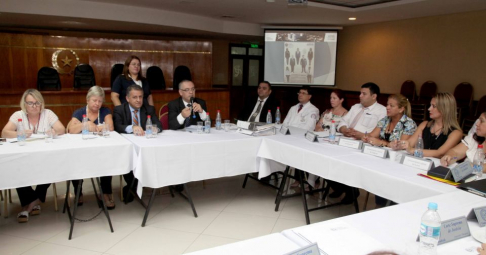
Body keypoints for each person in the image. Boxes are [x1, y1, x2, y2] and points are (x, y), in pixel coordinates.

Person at [1, 89, 65, 223]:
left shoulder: (48, 114)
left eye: (37, 103)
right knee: (15, 168)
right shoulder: (18, 115)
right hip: (23, 157)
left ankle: (28, 206)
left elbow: (62, 129)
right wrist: (20, 133)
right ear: (24, 104)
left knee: (52, 166)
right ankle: (34, 202)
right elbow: (5, 133)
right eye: (30, 103)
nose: (34, 106)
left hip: (45, 158)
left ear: (41, 103)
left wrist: (53, 131)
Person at [362, 94, 417, 207]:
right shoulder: (385, 120)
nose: (387, 107)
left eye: (391, 105)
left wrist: (381, 143)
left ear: (401, 109)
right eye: (387, 104)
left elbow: (401, 146)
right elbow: (372, 136)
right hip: (382, 158)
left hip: (398, 162)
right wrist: (367, 138)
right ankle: (380, 203)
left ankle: (389, 204)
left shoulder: (408, 124)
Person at [335, 82, 386, 204]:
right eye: (360, 93)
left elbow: (379, 134)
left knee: (343, 162)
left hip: (363, 145)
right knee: (325, 157)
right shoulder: (355, 107)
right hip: (345, 140)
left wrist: (362, 136)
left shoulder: (381, 111)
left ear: (374, 96)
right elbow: (342, 122)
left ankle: (350, 190)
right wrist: (344, 130)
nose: (360, 96)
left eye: (364, 94)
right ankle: (339, 186)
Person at [68, 86, 115, 209]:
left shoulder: (105, 111)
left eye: (100, 101)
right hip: (82, 150)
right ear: (87, 100)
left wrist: (93, 126)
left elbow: (110, 127)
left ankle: (104, 193)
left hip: (101, 149)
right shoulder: (79, 112)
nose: (97, 103)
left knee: (107, 160)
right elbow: (71, 130)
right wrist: (86, 124)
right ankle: (78, 192)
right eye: (94, 100)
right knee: (74, 161)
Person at [113, 85, 162, 202]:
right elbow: (117, 126)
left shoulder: (148, 109)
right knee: (127, 159)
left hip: (146, 146)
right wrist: (132, 127)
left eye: (140, 97)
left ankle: (135, 186)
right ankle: (133, 185)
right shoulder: (120, 109)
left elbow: (159, 125)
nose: (138, 100)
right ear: (127, 98)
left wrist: (155, 128)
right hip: (128, 146)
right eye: (135, 97)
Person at [398, 92, 462, 158]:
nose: (429, 109)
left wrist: (412, 150)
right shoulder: (424, 125)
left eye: (433, 106)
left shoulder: (456, 133)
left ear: (445, 109)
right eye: (430, 105)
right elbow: (409, 143)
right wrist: (397, 145)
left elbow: (440, 153)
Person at [308, 89, 348, 187]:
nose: (331, 100)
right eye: (331, 98)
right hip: (321, 139)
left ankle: (313, 179)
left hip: (334, 143)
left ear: (341, 100)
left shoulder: (346, 114)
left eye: (334, 98)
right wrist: (320, 130)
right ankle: (311, 178)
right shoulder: (327, 111)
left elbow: (343, 131)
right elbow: (318, 126)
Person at [283, 86, 319, 187]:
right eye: (299, 93)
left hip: (303, 138)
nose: (300, 95)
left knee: (301, 154)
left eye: (303, 93)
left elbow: (309, 127)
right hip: (290, 136)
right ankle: (298, 178)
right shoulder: (293, 108)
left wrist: (293, 132)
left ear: (309, 96)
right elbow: (285, 123)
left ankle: (309, 180)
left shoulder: (313, 110)